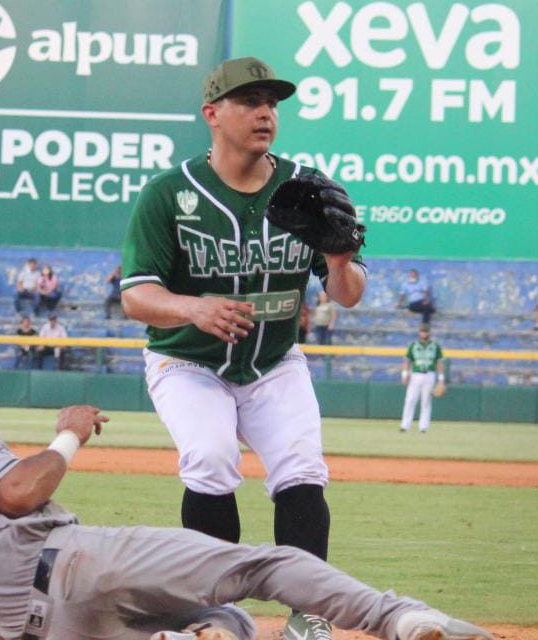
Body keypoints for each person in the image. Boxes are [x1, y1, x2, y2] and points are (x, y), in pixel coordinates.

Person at [119, 57, 368, 638]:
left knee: (302, 468)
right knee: (208, 457)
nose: (265, 112)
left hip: (273, 363)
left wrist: (337, 260)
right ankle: (209, 612)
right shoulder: (168, 194)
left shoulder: (306, 189)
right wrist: (192, 306)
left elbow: (348, 294)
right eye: (249, 101)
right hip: (187, 361)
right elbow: (136, 295)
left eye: (272, 102)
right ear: (212, 114)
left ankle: (309, 613)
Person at [0, 406, 493, 640]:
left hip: (52, 633)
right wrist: (70, 432)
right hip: (75, 560)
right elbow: (21, 493)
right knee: (265, 565)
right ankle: (399, 619)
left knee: (229, 623)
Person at [400, 325, 444, 434]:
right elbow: (407, 361)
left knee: (426, 401)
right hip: (416, 374)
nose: (424, 334)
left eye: (426, 332)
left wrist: (441, 379)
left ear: (429, 333)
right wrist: (405, 374)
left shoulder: (435, 346)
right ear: (419, 333)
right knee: (410, 400)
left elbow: (439, 363)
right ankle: (405, 426)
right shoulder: (413, 345)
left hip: (429, 374)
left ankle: (423, 427)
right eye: (422, 331)